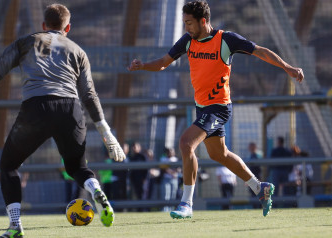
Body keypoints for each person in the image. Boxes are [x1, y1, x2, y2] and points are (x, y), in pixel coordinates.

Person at [0, 4, 125, 237]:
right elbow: (89, 94)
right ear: (68, 28)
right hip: (71, 109)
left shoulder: (26, 42)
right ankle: (96, 189)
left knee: (8, 166)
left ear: (44, 25)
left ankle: (15, 226)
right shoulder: (78, 51)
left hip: (37, 107)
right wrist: (106, 132)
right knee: (77, 167)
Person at [128, 0, 304, 219]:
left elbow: (261, 51)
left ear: (203, 21)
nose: (186, 27)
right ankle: (261, 188)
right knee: (218, 154)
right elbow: (164, 62)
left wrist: (287, 67)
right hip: (202, 108)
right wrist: (143, 65)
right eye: (184, 23)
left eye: (189, 23)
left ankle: (186, 203)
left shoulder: (226, 39)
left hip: (219, 108)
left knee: (185, 143)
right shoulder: (187, 41)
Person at [159, 147, 180, 211]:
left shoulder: (176, 159)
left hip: (174, 179)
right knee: (166, 195)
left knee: (173, 195)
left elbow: (178, 169)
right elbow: (164, 169)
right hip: (166, 179)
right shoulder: (163, 159)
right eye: (169, 151)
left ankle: (172, 209)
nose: (170, 153)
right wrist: (172, 172)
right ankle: (165, 210)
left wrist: (175, 172)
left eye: (172, 151)